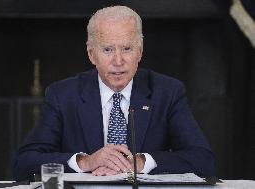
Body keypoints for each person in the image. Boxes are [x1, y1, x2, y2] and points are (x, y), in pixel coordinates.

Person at [13, 5, 215, 181]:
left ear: (140, 51)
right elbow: (24, 163)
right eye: (108, 50)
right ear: (92, 54)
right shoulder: (63, 95)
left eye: (127, 48)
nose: (118, 61)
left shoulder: (167, 92)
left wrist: (142, 162)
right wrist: (85, 161)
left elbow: (203, 160)